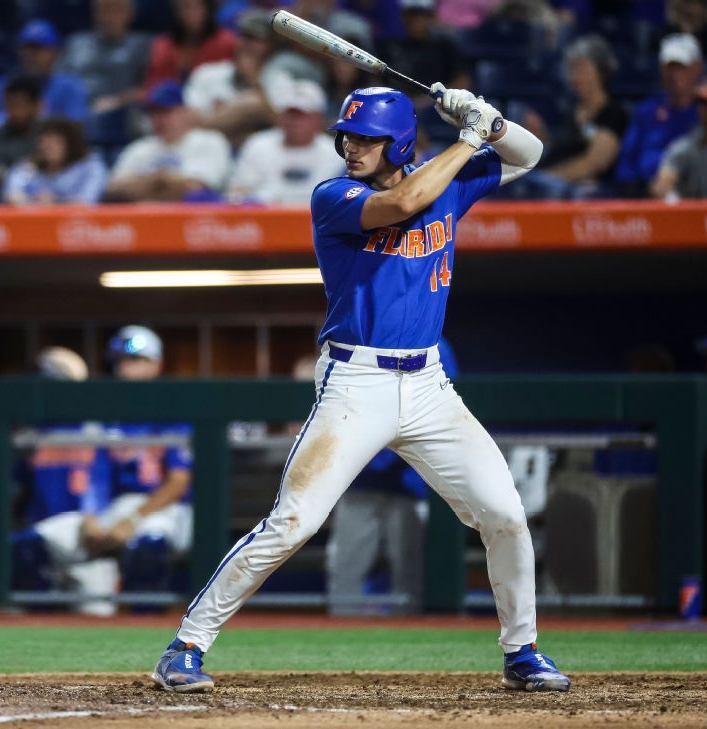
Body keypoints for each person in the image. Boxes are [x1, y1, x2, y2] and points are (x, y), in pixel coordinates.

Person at [150, 86, 571, 694]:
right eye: (347, 137)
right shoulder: (334, 196)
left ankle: (522, 651)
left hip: (427, 383)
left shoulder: (449, 179)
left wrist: (485, 116)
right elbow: (406, 201)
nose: (352, 147)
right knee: (293, 522)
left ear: (397, 141)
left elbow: (530, 155)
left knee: (504, 514)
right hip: (355, 380)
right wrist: (469, 138)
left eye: (367, 139)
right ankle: (186, 644)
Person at [325, 337, 458, 615]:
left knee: (408, 568)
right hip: (359, 477)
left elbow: (447, 401)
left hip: (409, 479)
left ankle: (411, 637)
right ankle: (340, 636)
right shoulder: (359, 338)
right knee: (347, 566)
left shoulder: (436, 345)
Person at [10, 346, 120, 616]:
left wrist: (93, 517)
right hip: (43, 536)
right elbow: (13, 492)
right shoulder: (26, 435)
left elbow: (105, 483)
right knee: (22, 550)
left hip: (88, 536)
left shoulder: (95, 428)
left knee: (98, 614)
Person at [87, 326, 194, 600]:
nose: (126, 369)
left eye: (135, 360)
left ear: (155, 365)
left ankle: (146, 625)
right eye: (120, 362)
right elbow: (95, 479)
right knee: (36, 546)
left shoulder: (172, 411)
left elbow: (178, 482)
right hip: (116, 507)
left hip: (167, 509)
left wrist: (133, 519)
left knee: (149, 545)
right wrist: (90, 518)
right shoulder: (107, 416)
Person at [521, 34, 628, 198]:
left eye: (582, 69)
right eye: (572, 69)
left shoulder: (613, 114)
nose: (575, 77)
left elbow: (594, 163)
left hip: (579, 192)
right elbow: (566, 150)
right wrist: (542, 138)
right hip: (551, 183)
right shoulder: (571, 110)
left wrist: (547, 177)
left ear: (602, 71)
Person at [104, 81, 230, 202]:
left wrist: (144, 183)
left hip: (191, 219)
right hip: (144, 219)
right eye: (153, 114)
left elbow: (196, 187)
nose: (158, 119)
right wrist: (163, 182)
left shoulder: (209, 141)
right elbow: (114, 189)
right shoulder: (139, 147)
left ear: (184, 112)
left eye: (165, 112)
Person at [613, 34, 702, 196]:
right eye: (669, 67)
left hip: (696, 195)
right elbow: (627, 164)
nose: (674, 74)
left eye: (681, 67)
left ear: (696, 68)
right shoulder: (646, 111)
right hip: (646, 195)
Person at [226, 80, 341, 205]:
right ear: (281, 116)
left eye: (302, 115)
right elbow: (237, 193)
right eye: (290, 114)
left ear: (318, 118)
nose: (295, 121)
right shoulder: (258, 145)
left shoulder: (336, 152)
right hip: (266, 218)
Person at [57, 0, 151, 148]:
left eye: (116, 9)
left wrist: (116, 101)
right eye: (104, 10)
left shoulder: (142, 45)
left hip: (120, 117)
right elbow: (58, 84)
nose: (109, 16)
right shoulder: (76, 43)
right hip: (74, 115)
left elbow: (148, 88)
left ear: (131, 14)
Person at [182, 9, 275, 148]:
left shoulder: (276, 79)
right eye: (244, 36)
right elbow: (188, 116)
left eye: (255, 38)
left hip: (254, 153)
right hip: (204, 148)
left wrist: (254, 80)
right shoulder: (207, 73)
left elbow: (280, 122)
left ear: (269, 46)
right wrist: (239, 119)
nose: (247, 43)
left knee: (254, 102)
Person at [0, 19, 88, 126]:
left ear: (54, 52)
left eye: (38, 49)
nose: (31, 55)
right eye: (26, 49)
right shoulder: (3, 86)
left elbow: (75, 127)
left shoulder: (70, 87)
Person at [374, 0, 470, 103]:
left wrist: (432, 98)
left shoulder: (445, 47)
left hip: (435, 108)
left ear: (432, 17)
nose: (417, 20)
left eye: (423, 15)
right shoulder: (387, 47)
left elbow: (462, 82)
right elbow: (374, 82)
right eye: (412, 15)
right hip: (394, 105)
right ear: (403, 16)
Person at [2, 118, 107, 205]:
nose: (48, 147)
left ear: (71, 144)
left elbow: (86, 202)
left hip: (78, 226)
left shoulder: (90, 167)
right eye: (44, 141)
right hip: (34, 223)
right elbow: (11, 194)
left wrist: (54, 203)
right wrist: (29, 202)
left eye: (56, 142)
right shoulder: (28, 168)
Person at [0, 75, 44, 202]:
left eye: (21, 105)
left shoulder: (47, 133)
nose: (15, 112)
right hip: (0, 198)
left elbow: (50, 172)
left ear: (36, 106)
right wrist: (14, 175)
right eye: (10, 105)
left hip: (40, 196)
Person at [145, 0, 235, 89]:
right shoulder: (164, 45)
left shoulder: (226, 42)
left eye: (196, 7)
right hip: (169, 102)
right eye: (185, 7)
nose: (191, 14)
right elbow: (153, 86)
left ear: (208, 9)